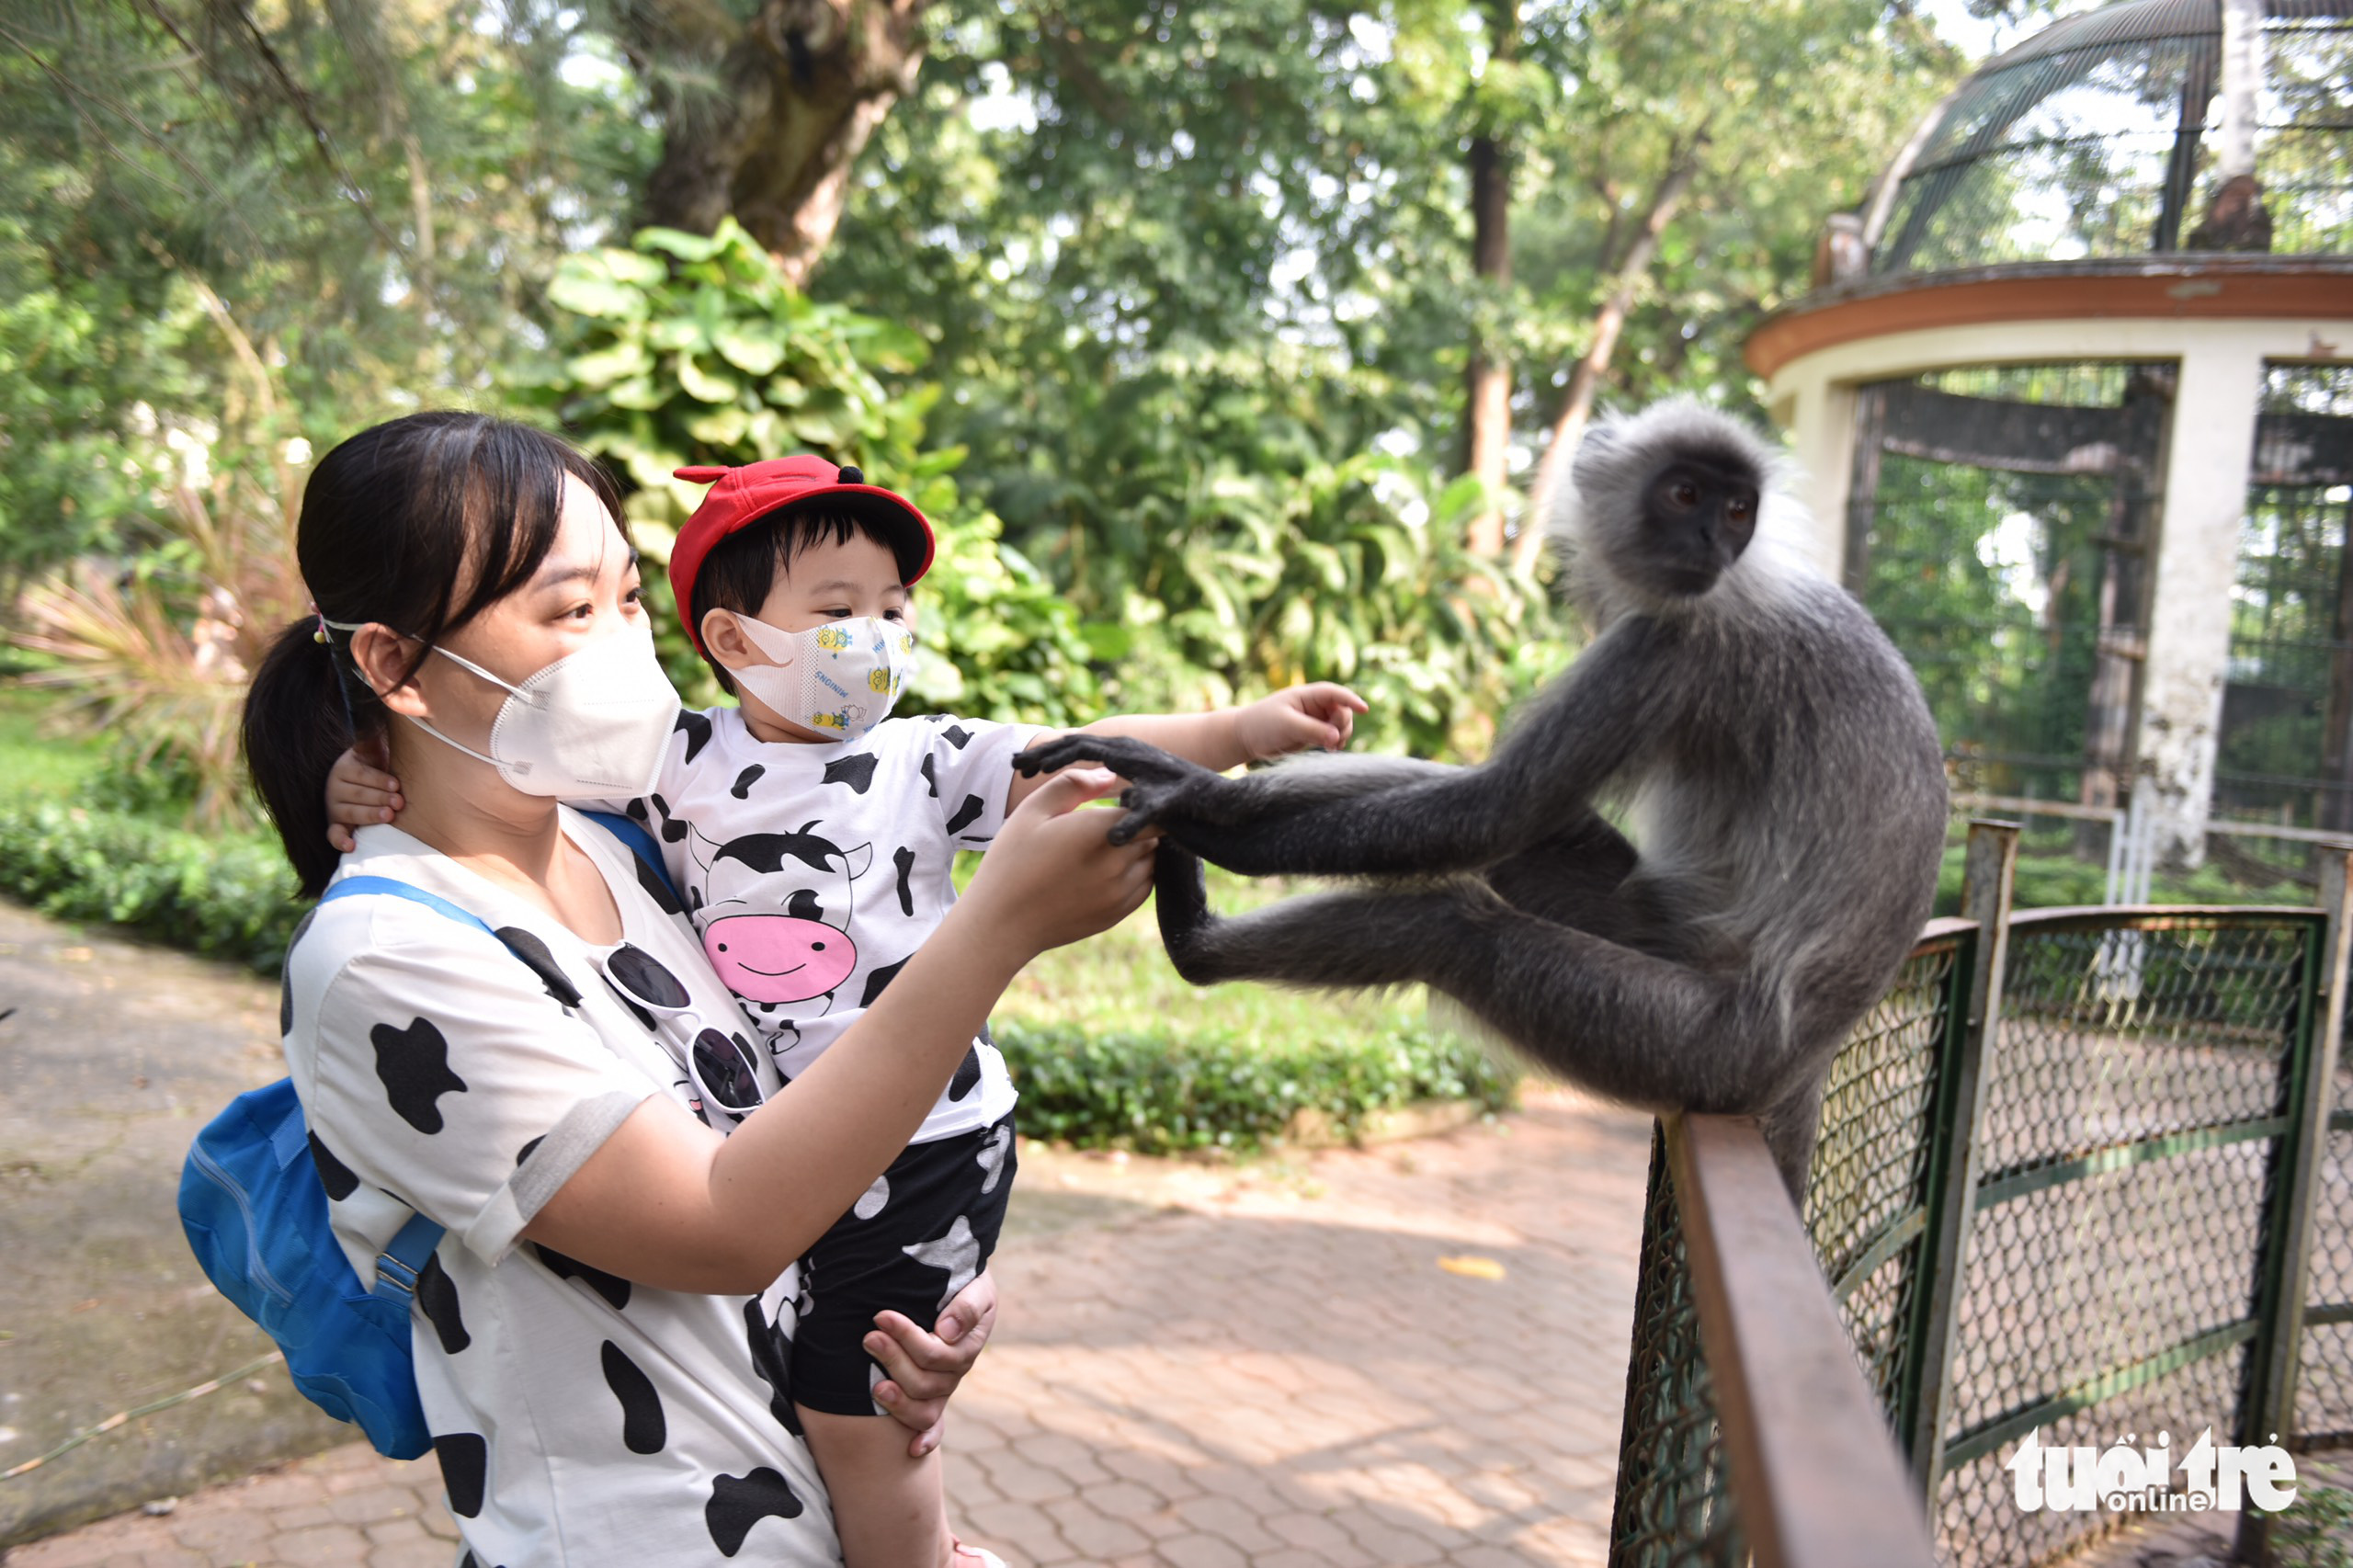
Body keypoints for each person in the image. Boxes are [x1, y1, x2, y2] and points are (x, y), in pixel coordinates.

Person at [324, 453, 1368, 1568]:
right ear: (731, 639)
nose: (872, 633)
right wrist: (350, 771)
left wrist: (1237, 731)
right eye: (575, 607)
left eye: (627, 599)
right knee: (858, 1401)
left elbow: (1076, 752)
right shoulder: (623, 803)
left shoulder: (893, 765)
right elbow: (727, 1224)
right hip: (660, 1500)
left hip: (928, 1147)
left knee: (869, 1396)